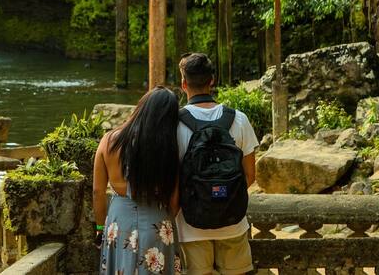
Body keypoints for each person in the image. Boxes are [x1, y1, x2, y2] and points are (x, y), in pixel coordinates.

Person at [175, 53, 258, 275]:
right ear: (212, 80)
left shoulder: (174, 123)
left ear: (184, 84)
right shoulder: (239, 119)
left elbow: (172, 180)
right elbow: (250, 175)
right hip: (233, 223)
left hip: (190, 227)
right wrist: (222, 198)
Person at [94, 87, 183, 275]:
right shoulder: (168, 148)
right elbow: (175, 200)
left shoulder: (108, 140)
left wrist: (100, 227)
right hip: (157, 221)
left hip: (119, 223)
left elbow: (98, 192)